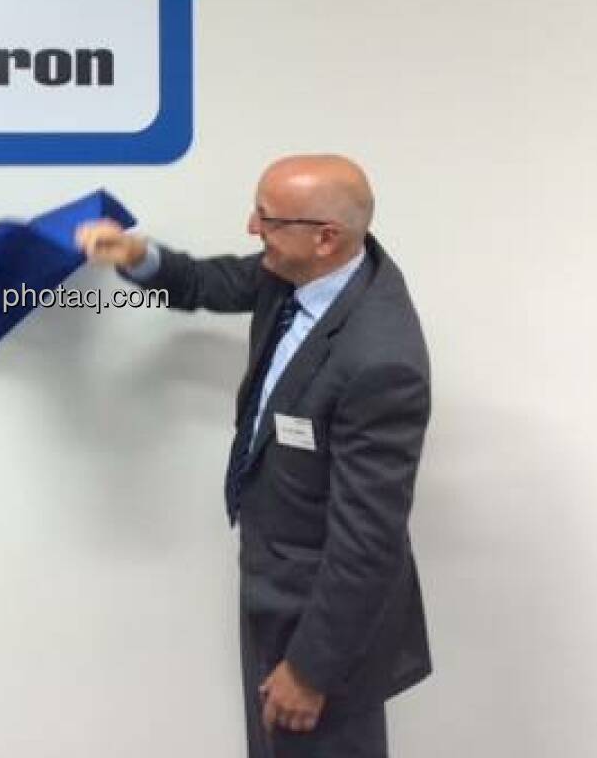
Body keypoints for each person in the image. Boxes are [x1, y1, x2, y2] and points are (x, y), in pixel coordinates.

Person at [76, 155, 431, 758]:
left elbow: (369, 540)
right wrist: (138, 255)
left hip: (323, 619)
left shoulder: (381, 359)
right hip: (274, 580)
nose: (251, 227)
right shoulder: (299, 273)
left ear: (326, 237)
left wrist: (311, 670)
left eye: (267, 218)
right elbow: (209, 283)